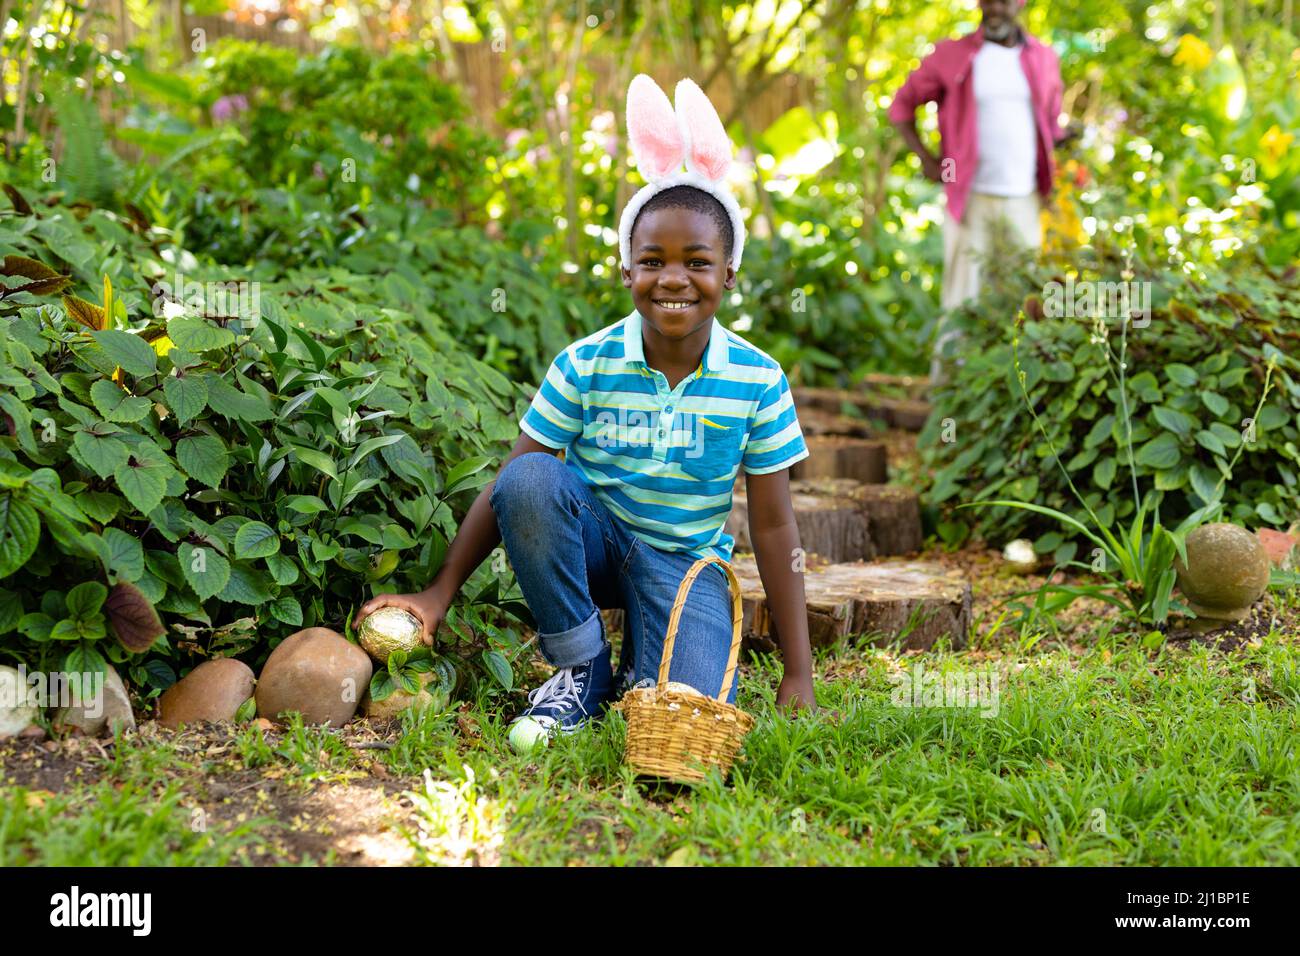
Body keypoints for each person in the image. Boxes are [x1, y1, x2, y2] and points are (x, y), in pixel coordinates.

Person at [355, 75, 817, 749]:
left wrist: (798, 672)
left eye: (698, 262)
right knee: (533, 478)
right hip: (594, 547)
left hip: (684, 569)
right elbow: (513, 488)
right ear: (627, 271)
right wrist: (437, 594)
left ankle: (644, 661)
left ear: (729, 274)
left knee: (680, 710)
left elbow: (775, 528)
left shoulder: (758, 380)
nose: (674, 278)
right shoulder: (585, 363)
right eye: (652, 260)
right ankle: (580, 664)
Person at [889, 0, 1073, 383]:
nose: (995, 9)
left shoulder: (1042, 57)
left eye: (1004, 2)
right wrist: (927, 158)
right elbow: (902, 106)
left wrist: (1068, 137)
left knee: (1023, 295)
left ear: (1019, 5)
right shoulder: (953, 53)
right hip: (969, 198)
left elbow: (1049, 125)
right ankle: (948, 397)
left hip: (1024, 196)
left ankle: (1011, 391)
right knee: (962, 296)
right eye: (987, 1)